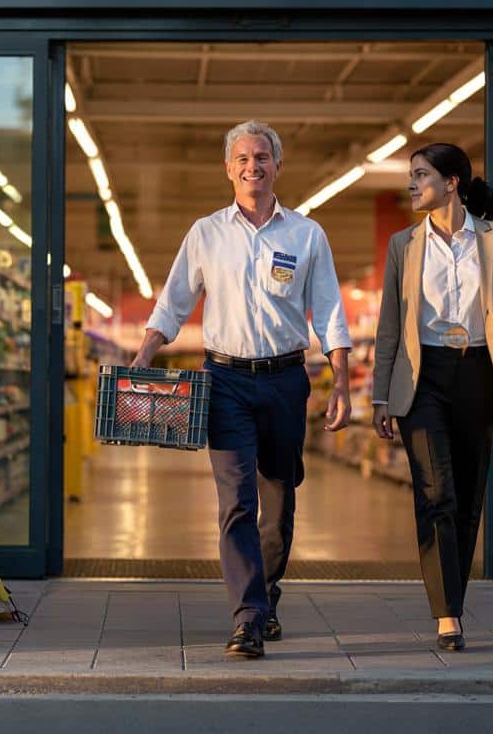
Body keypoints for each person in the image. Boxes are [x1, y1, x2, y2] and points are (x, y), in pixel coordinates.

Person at [133, 120, 353, 659]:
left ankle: (267, 594)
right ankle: (248, 616)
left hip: (284, 380)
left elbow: (328, 310)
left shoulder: (307, 234)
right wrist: (143, 355)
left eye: (262, 157)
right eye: (242, 158)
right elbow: (174, 301)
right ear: (228, 169)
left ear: (277, 166)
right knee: (236, 500)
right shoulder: (206, 233)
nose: (252, 165)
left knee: (278, 500)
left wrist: (342, 379)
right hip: (224, 379)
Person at [371, 143, 493, 652]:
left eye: (420, 175)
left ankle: (453, 598)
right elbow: (388, 327)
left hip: (477, 374)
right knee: (436, 492)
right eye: (410, 175)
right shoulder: (403, 245)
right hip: (422, 375)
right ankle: (447, 614)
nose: (411, 184)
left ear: (452, 183)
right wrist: (381, 395)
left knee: (469, 498)